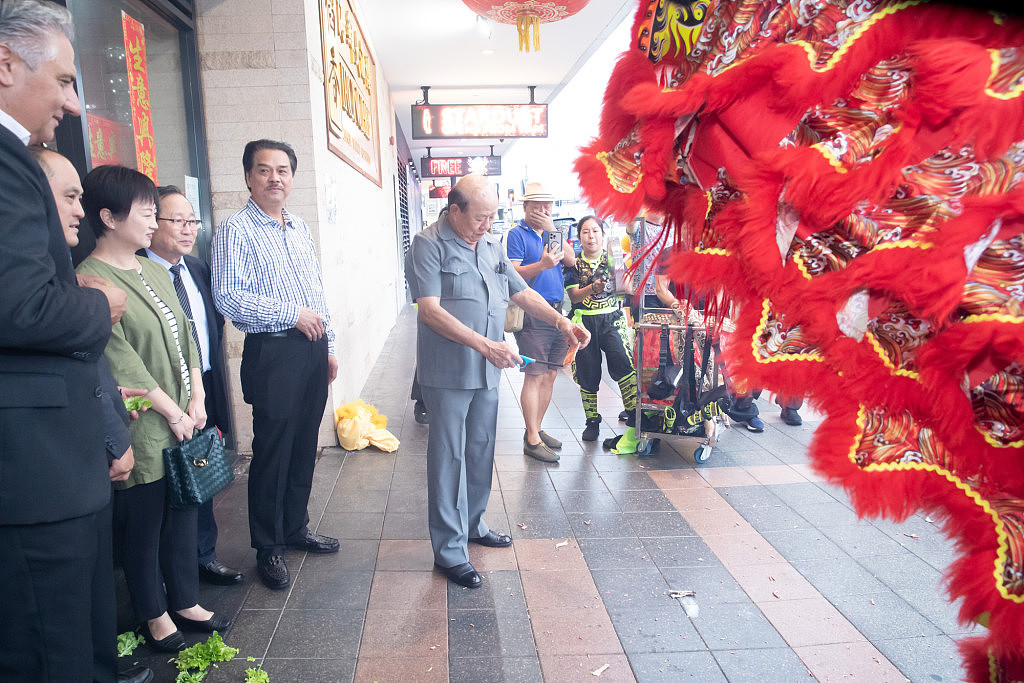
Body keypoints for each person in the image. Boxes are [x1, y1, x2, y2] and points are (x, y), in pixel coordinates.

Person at [0, 3, 149, 681]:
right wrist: (100, 303)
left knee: (86, 647)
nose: (71, 99)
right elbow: (23, 309)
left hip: (63, 467)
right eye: (61, 79)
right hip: (33, 476)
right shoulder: (7, 166)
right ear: (6, 64)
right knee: (52, 652)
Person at [406, 174, 589, 588]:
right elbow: (429, 310)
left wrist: (562, 322)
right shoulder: (428, 245)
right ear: (455, 210)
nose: (487, 225)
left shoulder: (489, 245)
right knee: (448, 455)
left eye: (492, 217)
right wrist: (485, 344)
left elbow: (520, 291)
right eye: (480, 217)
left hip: (487, 369)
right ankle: (450, 550)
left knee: (480, 449)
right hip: (448, 371)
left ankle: (474, 524)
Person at [77, 165, 231, 653]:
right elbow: (118, 360)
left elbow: (186, 335)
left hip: (183, 413)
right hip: (143, 422)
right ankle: (154, 612)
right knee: (144, 524)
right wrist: (172, 410)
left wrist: (198, 398)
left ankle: (185, 598)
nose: (153, 221)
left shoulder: (148, 267)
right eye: (146, 212)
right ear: (108, 216)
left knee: (183, 510)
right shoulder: (89, 280)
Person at [212, 139, 340, 590]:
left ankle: (294, 527)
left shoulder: (299, 227)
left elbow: (317, 294)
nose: (274, 179)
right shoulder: (236, 230)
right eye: (264, 170)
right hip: (274, 351)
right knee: (272, 449)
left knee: (306, 442)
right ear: (248, 177)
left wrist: (328, 345)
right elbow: (228, 297)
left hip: (311, 348)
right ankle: (268, 546)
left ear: (292, 177)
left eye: (283, 170)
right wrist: (293, 315)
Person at [139, 185, 243, 585]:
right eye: (177, 221)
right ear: (152, 222)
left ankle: (203, 554)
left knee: (201, 469)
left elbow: (211, 331)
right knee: (165, 481)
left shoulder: (198, 269)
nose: (188, 230)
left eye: (192, 222)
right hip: (160, 392)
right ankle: (167, 569)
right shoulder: (137, 271)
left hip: (205, 383)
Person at [506, 181, 577, 462]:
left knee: (550, 374)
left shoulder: (554, 233)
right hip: (532, 313)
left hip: (558, 312)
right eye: (537, 205)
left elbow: (570, 260)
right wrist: (542, 265)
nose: (543, 210)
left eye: (547, 205)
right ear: (526, 207)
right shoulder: (515, 234)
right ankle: (532, 439)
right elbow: (513, 276)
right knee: (534, 375)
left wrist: (552, 230)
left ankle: (535, 429)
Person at [564, 216, 637, 441]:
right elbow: (574, 295)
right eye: (586, 232)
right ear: (579, 238)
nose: (591, 236)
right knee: (587, 371)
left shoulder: (613, 258)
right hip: (584, 322)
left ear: (603, 235)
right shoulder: (573, 263)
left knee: (624, 364)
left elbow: (625, 290)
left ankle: (635, 415)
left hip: (612, 319)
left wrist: (622, 279)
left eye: (595, 231)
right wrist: (592, 288)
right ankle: (592, 421)